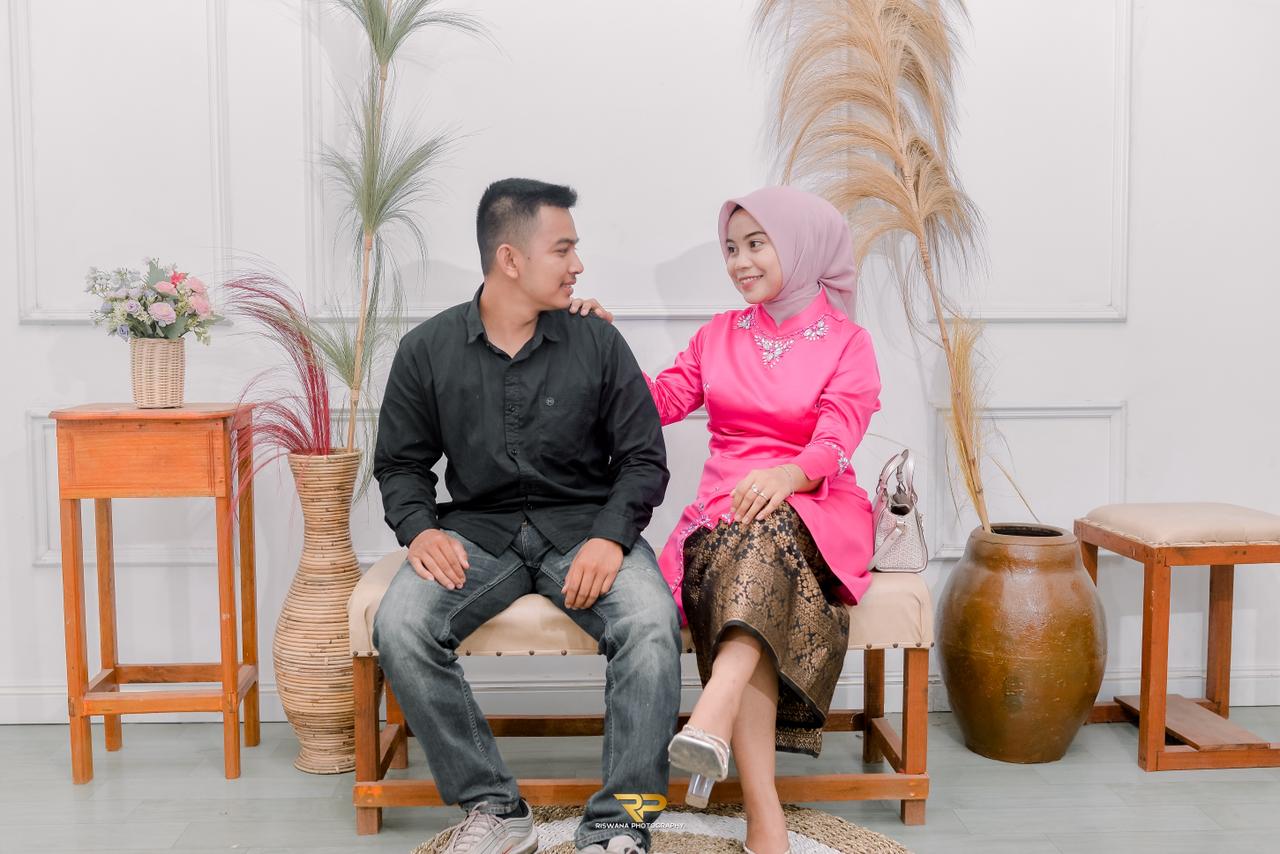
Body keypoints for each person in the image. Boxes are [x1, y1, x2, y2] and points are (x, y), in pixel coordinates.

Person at [372, 178, 680, 854]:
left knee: (651, 622)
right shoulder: (426, 350)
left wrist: (610, 538)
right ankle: (496, 808)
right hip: (477, 535)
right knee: (400, 623)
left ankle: (622, 821)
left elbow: (643, 459)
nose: (578, 265)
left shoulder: (597, 342)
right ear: (510, 259)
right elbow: (400, 464)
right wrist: (419, 529)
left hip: (584, 530)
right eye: (562, 249)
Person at [576, 185, 881, 854]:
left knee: (764, 537)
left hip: (815, 507)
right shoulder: (718, 335)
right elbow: (656, 402)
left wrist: (785, 476)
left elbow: (838, 437)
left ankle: (714, 708)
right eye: (731, 249)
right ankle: (763, 814)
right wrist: (603, 345)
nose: (741, 262)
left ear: (799, 247)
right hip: (723, 518)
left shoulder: (848, 343)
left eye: (756, 245)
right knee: (751, 558)